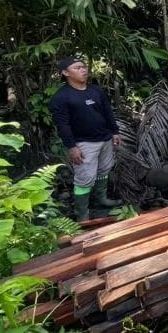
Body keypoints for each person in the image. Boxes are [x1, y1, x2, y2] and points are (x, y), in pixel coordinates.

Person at [49, 57, 122, 221]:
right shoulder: (61, 97)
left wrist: (115, 131)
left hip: (105, 139)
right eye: (77, 67)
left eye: (84, 66)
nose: (83, 70)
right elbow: (63, 125)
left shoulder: (95, 90)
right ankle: (82, 215)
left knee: (104, 169)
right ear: (65, 73)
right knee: (84, 178)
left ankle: (101, 199)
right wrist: (72, 147)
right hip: (84, 143)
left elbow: (107, 112)